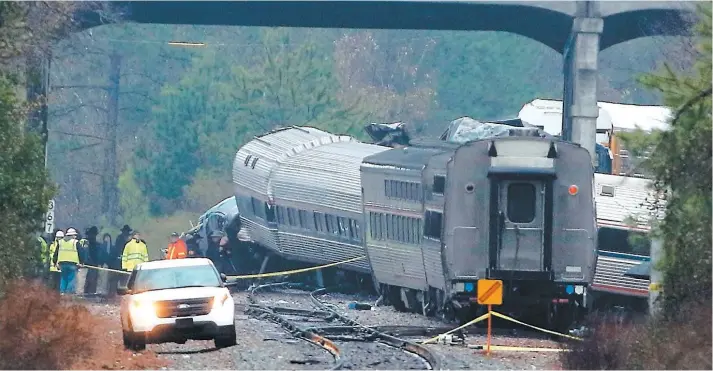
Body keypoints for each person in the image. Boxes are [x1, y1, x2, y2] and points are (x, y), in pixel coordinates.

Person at [54, 227, 82, 295]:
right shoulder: (75, 242)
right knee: (71, 279)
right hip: (72, 264)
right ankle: (69, 294)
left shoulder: (60, 242)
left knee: (63, 278)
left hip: (62, 264)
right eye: (74, 235)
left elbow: (56, 253)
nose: (75, 236)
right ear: (72, 235)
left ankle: (62, 292)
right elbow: (81, 253)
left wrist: (55, 262)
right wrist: (82, 262)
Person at [108, 225, 131, 298]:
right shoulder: (120, 239)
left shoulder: (128, 241)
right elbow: (118, 250)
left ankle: (121, 296)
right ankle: (112, 295)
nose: (127, 233)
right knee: (115, 280)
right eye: (126, 231)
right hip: (118, 263)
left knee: (124, 281)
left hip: (124, 264)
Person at [82, 226, 100, 295]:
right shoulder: (87, 243)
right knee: (89, 282)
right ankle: (88, 295)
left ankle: (89, 295)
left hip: (91, 265)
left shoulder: (95, 244)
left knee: (91, 282)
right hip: (89, 264)